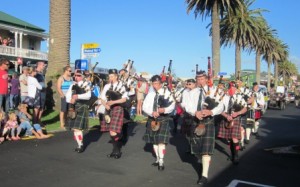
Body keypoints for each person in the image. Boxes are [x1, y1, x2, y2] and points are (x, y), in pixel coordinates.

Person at [185, 70, 224, 186]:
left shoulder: (214, 91)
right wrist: (194, 112)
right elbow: (186, 105)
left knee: (206, 151)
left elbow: (221, 106)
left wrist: (211, 111)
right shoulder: (192, 92)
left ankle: (204, 175)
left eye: (202, 79)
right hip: (195, 121)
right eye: (198, 79)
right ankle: (203, 161)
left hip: (208, 122)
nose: (200, 81)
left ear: (206, 79)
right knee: (197, 150)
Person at [142, 75, 175, 171]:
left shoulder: (167, 93)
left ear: (161, 83)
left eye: (157, 83)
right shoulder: (150, 94)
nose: (155, 85)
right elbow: (145, 106)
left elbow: (172, 106)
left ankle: (161, 161)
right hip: (152, 118)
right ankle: (157, 158)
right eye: (153, 83)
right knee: (154, 141)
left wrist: (163, 110)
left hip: (163, 118)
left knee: (161, 142)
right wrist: (151, 112)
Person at [99, 69, 128, 159]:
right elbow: (102, 98)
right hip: (108, 109)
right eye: (109, 76)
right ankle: (116, 148)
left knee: (113, 131)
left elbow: (124, 99)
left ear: (116, 76)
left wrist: (113, 102)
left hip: (118, 108)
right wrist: (105, 105)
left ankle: (116, 151)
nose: (110, 78)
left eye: (112, 76)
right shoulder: (107, 86)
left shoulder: (122, 86)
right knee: (111, 132)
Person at [217, 81, 247, 164]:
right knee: (230, 138)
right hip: (226, 118)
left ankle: (236, 156)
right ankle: (232, 154)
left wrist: (237, 113)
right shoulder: (223, 97)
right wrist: (226, 116)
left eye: (233, 87)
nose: (232, 89)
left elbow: (245, 108)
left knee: (234, 138)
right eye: (230, 88)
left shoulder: (239, 97)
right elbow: (219, 109)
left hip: (235, 118)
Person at [65, 69, 91, 153]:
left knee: (77, 128)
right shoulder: (72, 85)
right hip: (73, 107)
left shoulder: (86, 84)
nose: (76, 77)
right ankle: (80, 144)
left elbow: (88, 95)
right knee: (74, 129)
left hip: (82, 106)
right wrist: (70, 99)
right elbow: (67, 96)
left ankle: (80, 145)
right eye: (75, 75)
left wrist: (78, 96)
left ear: (82, 76)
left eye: (78, 75)